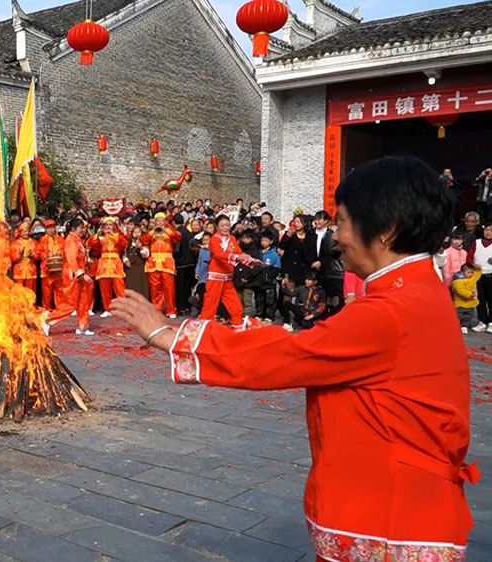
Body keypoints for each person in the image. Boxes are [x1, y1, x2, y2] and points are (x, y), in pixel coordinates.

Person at [112, 156, 479, 562]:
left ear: (387, 229)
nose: (337, 236)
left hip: (390, 520)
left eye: (341, 222)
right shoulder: (416, 293)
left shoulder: (393, 309)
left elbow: (290, 354)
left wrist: (173, 335)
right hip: (402, 503)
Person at [200, 215, 261, 329]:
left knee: (235, 305)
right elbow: (219, 255)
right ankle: (204, 329)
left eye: (227, 225)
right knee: (210, 305)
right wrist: (237, 257)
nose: (225, 228)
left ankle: (237, 326)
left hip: (228, 277)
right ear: (217, 227)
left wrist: (251, 260)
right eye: (222, 225)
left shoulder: (232, 238)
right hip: (216, 277)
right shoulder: (214, 239)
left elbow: (239, 252)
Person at [46, 218, 94, 336]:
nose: (83, 230)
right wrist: (81, 274)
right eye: (81, 227)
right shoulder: (71, 241)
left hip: (79, 275)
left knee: (84, 301)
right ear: (74, 228)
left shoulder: (77, 240)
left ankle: (82, 326)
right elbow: (71, 259)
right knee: (71, 304)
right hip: (73, 276)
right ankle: (47, 320)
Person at [141, 213, 182, 317]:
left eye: (162, 220)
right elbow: (143, 240)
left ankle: (171, 310)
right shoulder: (151, 233)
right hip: (153, 262)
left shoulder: (170, 231)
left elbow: (177, 238)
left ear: (165, 221)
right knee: (155, 288)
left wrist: (167, 230)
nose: (160, 222)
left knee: (169, 288)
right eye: (157, 220)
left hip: (167, 261)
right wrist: (150, 233)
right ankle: (156, 310)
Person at [91, 217, 127, 317]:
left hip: (115, 262)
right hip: (104, 262)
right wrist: (97, 235)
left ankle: (123, 310)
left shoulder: (118, 235)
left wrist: (113, 236)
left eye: (110, 225)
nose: (108, 227)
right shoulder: (101, 236)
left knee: (120, 287)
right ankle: (107, 309)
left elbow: (123, 245)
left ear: (114, 226)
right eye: (106, 225)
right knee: (104, 288)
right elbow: (93, 246)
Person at [312, 211, 345, 315]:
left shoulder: (331, 234)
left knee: (335, 296)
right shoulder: (327, 235)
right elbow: (330, 252)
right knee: (331, 296)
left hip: (335, 270)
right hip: (330, 271)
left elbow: (332, 252)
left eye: (319, 219)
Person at [35, 219, 65, 309]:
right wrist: (46, 255)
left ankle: (60, 307)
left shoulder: (60, 239)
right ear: (45, 229)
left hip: (59, 268)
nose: (51, 230)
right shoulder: (42, 240)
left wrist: (60, 254)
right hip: (46, 268)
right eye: (48, 228)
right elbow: (37, 253)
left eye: (52, 227)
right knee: (47, 290)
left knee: (59, 289)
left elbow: (65, 250)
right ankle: (47, 308)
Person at [468, 224, 492, 331]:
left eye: (491, 231)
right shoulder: (476, 243)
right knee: (480, 300)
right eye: (486, 230)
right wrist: (472, 265)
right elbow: (469, 257)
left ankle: (491, 322)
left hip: (490, 275)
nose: (488, 232)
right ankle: (482, 321)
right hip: (478, 275)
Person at [453, 262, 483, 334]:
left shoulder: (472, 279)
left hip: (470, 303)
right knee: (459, 315)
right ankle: (458, 326)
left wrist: (478, 268)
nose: (471, 274)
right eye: (469, 272)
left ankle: (464, 326)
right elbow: (460, 290)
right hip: (460, 303)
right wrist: (470, 294)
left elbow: (478, 274)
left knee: (468, 316)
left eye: (472, 272)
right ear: (463, 272)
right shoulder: (457, 281)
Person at [10, 223, 38, 294]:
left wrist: (33, 255)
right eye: (24, 231)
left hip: (31, 271)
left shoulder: (34, 242)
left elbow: (38, 256)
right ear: (20, 232)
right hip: (19, 272)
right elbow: (11, 259)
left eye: (27, 231)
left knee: (31, 293)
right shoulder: (14, 243)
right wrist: (18, 255)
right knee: (19, 293)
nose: (26, 233)